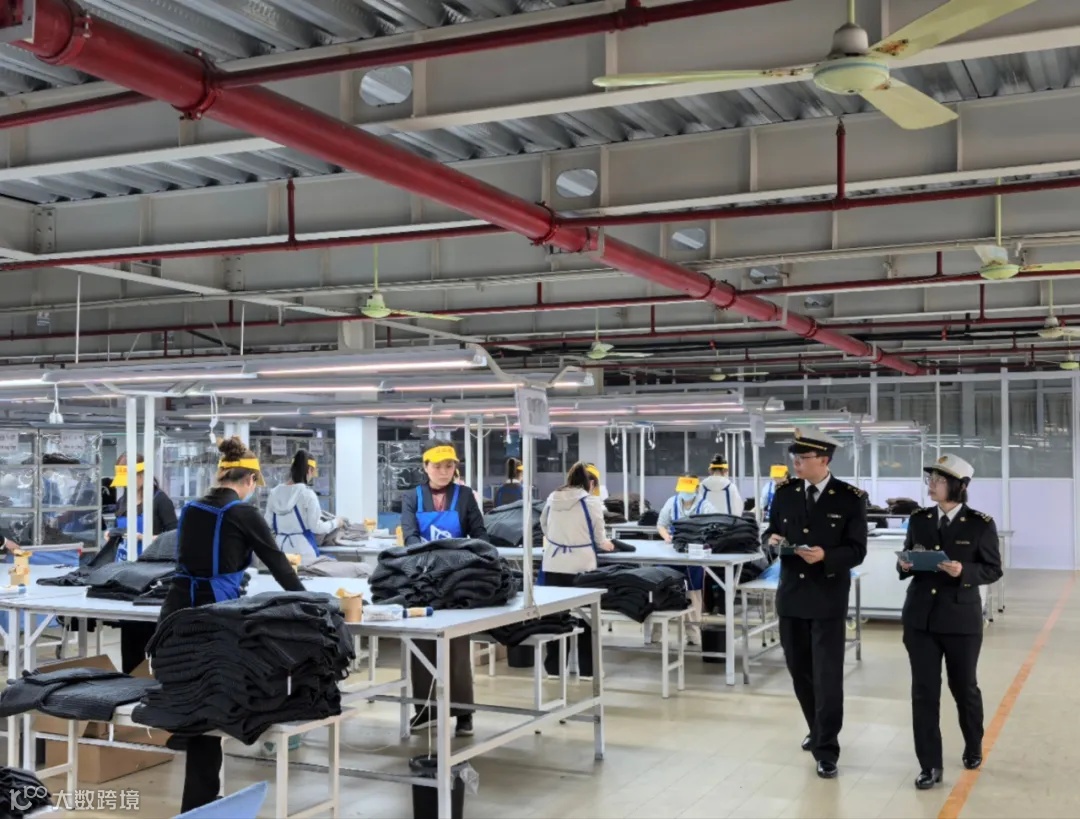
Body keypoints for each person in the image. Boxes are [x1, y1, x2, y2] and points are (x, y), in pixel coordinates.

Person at [161, 437, 305, 813]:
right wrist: (310, 603)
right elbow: (278, 564)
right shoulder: (243, 513)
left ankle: (200, 799)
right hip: (213, 615)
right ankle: (200, 803)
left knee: (202, 701)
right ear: (251, 480)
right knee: (218, 700)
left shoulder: (191, 508)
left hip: (176, 612)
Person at [764, 427, 867, 780]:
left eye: (803, 458)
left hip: (827, 597)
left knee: (827, 676)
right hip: (792, 596)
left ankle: (827, 749)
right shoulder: (785, 494)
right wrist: (771, 540)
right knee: (800, 672)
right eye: (794, 457)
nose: (796, 463)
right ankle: (816, 727)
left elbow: (857, 550)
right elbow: (770, 532)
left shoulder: (850, 498)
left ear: (824, 460)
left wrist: (826, 556)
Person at [897, 454, 1002, 791]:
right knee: (924, 692)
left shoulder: (980, 523)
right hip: (921, 619)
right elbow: (907, 554)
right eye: (930, 479)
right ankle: (930, 764)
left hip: (960, 620)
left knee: (964, 687)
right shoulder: (919, 519)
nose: (932, 485)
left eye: (939, 480)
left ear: (960, 486)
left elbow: (993, 569)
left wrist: (963, 571)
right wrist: (904, 565)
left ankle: (973, 744)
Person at [399, 444, 488, 737]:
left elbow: (479, 533)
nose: (443, 471)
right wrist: (427, 559)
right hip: (422, 576)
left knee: (457, 645)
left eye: (449, 466)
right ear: (425, 467)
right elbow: (410, 535)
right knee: (421, 643)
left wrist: (474, 558)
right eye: (437, 466)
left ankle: (463, 713)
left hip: (457, 577)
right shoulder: (412, 497)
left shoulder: (465, 495)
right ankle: (426, 710)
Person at [539, 462, 614, 678]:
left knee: (555, 617)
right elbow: (599, 538)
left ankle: (554, 669)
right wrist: (607, 544)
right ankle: (587, 671)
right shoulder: (591, 502)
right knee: (586, 619)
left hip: (553, 563)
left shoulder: (552, 499)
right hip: (581, 566)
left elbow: (544, 526)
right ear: (591, 484)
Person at [112, 453, 179, 674]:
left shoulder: (160, 501)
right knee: (128, 632)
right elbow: (119, 528)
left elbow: (175, 536)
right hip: (126, 572)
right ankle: (130, 678)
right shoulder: (124, 500)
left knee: (149, 632)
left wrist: (145, 538)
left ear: (142, 476)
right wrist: (112, 535)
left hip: (152, 574)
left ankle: (153, 679)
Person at [656, 475, 717, 644]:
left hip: (694, 555)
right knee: (662, 589)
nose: (685, 493)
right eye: (683, 490)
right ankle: (656, 633)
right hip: (672, 553)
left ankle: (693, 634)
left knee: (693, 593)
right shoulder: (672, 503)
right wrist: (666, 537)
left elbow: (713, 527)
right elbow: (661, 524)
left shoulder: (705, 506)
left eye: (688, 490)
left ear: (697, 489)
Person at [264, 450, 341, 562]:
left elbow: (268, 524)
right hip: (303, 552)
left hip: (280, 549)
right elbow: (316, 527)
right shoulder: (307, 494)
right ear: (310, 470)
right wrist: (335, 523)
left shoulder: (274, 493)